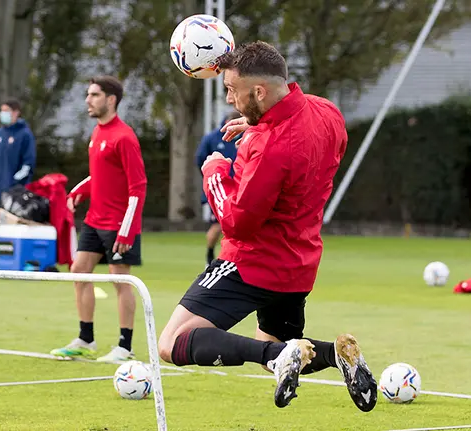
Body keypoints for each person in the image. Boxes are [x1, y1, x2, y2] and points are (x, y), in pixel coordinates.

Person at [156, 42, 378, 412]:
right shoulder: (327, 112)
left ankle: (281, 354)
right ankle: (338, 357)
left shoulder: (269, 147)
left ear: (259, 92)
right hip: (298, 264)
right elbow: (313, 135)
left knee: (173, 343)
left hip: (251, 263)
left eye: (232, 90)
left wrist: (213, 172)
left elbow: (238, 225)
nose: (229, 100)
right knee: (271, 349)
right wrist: (259, 121)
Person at [50, 76, 147, 362]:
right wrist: (82, 189)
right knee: (79, 271)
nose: (88, 101)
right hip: (94, 220)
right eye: (88, 95)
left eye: (94, 95)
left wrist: (127, 231)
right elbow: (102, 174)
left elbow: (137, 186)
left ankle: (124, 347)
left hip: (120, 224)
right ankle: (86, 339)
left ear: (111, 99)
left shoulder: (125, 137)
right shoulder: (97, 133)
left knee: (120, 281)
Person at [0, 98, 37, 268]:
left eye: (7, 110)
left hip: (14, 192)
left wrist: (15, 184)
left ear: (16, 112)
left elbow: (28, 164)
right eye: (2, 110)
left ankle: (12, 258)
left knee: (11, 226)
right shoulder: (0, 133)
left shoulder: (25, 134)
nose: (3, 114)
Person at [195, 111, 239, 265]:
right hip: (218, 188)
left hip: (239, 188)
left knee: (235, 225)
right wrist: (212, 177)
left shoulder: (245, 135)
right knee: (218, 225)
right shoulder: (212, 138)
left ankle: (229, 258)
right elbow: (200, 159)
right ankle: (210, 254)